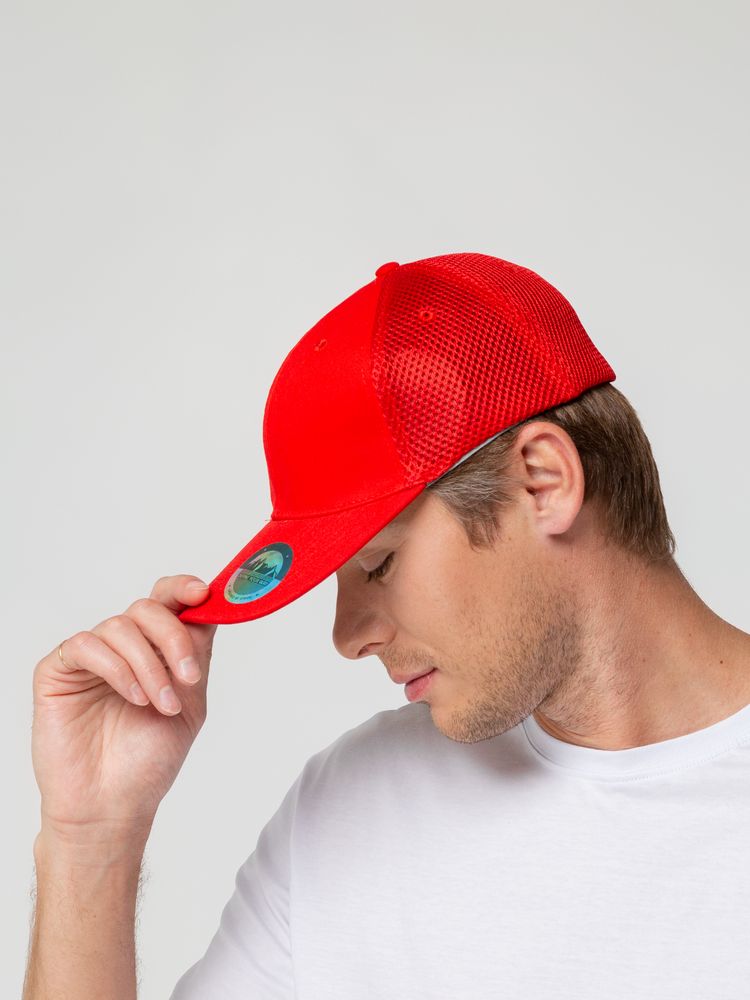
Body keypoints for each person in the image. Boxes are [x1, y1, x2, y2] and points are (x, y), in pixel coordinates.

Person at [23, 253, 750, 999]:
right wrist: (92, 838)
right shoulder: (354, 805)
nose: (347, 638)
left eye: (378, 565)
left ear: (544, 482)